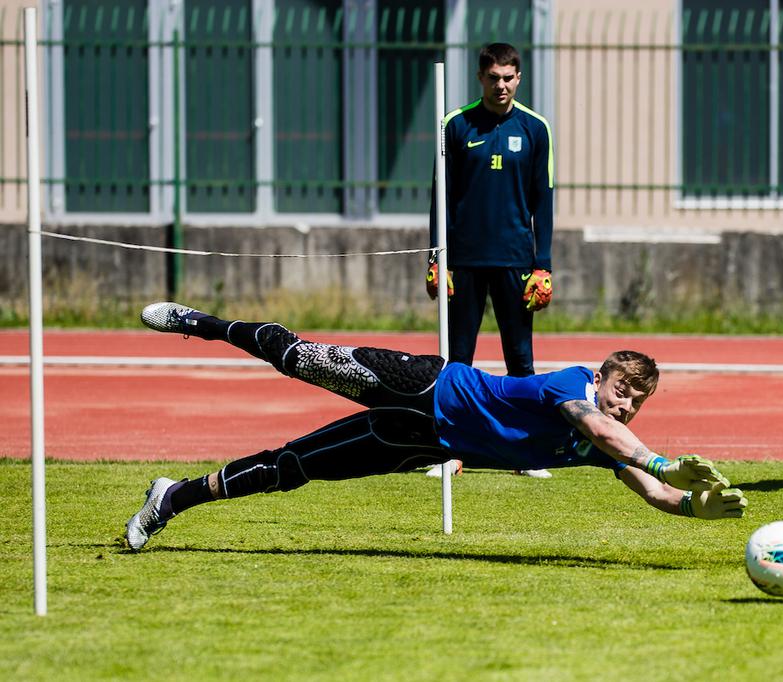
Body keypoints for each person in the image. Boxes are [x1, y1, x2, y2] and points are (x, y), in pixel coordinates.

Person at [124, 302, 748, 551]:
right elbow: (618, 441)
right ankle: (200, 322)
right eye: (623, 390)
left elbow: (654, 491)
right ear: (604, 375)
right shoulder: (572, 386)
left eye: (639, 401)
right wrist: (660, 460)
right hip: (422, 385)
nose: (627, 405)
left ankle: (172, 496)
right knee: (296, 359)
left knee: (294, 467)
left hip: (421, 440)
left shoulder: (603, 443)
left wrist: (695, 508)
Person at [426, 42, 556, 478]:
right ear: (480, 78)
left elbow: (544, 200)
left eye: (509, 77)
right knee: (456, 362)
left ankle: (525, 455)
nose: (501, 85)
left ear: (519, 78)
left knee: (520, 360)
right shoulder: (455, 124)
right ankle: (452, 454)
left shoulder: (536, 128)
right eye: (493, 77)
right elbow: (439, 198)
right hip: (463, 259)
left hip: (516, 261)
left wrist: (544, 264)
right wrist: (435, 257)